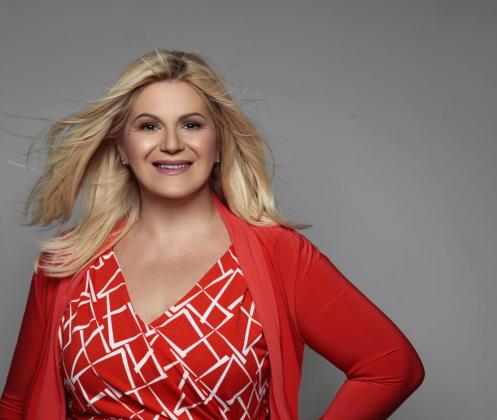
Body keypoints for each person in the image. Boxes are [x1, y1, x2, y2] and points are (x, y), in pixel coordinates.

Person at [0, 49, 425, 419]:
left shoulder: (279, 253)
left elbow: (391, 367)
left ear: (218, 144)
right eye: (148, 126)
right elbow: (16, 404)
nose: (171, 143)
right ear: (121, 148)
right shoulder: (68, 261)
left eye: (191, 125)